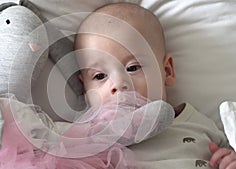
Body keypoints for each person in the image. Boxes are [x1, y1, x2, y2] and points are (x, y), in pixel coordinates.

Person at [74, 2, 236, 169]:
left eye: (133, 68)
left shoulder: (199, 124)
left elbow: (227, 151)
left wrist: (229, 161)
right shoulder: (90, 138)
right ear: (85, 89)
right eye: (99, 76)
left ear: (167, 71)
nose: (118, 84)